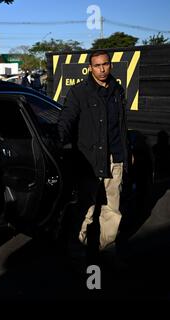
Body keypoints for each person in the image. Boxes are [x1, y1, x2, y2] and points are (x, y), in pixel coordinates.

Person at [58, 50, 129, 254]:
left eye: (105, 64)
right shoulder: (79, 92)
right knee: (86, 208)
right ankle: (77, 252)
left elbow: (122, 125)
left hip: (115, 158)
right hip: (90, 160)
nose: (102, 69)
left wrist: (126, 152)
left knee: (112, 210)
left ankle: (107, 250)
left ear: (111, 65)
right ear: (90, 68)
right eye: (97, 65)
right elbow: (66, 119)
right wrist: (59, 141)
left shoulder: (117, 90)